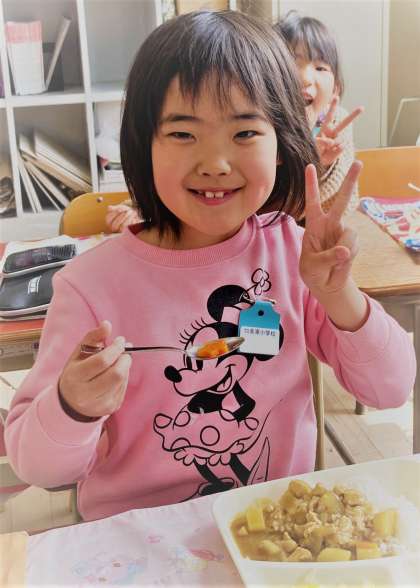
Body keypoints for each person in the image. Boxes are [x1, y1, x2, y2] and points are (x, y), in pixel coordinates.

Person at [5, 10, 415, 522]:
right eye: (183, 133)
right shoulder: (89, 287)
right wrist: (72, 406)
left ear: (282, 141)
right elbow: (37, 466)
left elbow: (390, 388)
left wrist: (339, 296)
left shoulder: (292, 253)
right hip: (142, 541)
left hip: (273, 530)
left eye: (244, 133)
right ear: (144, 143)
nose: (216, 162)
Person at [274, 11, 363, 214]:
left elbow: (342, 202)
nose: (305, 78)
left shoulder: (337, 122)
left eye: (321, 68)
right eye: (291, 63)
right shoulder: (262, 126)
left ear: (335, 88)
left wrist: (320, 164)